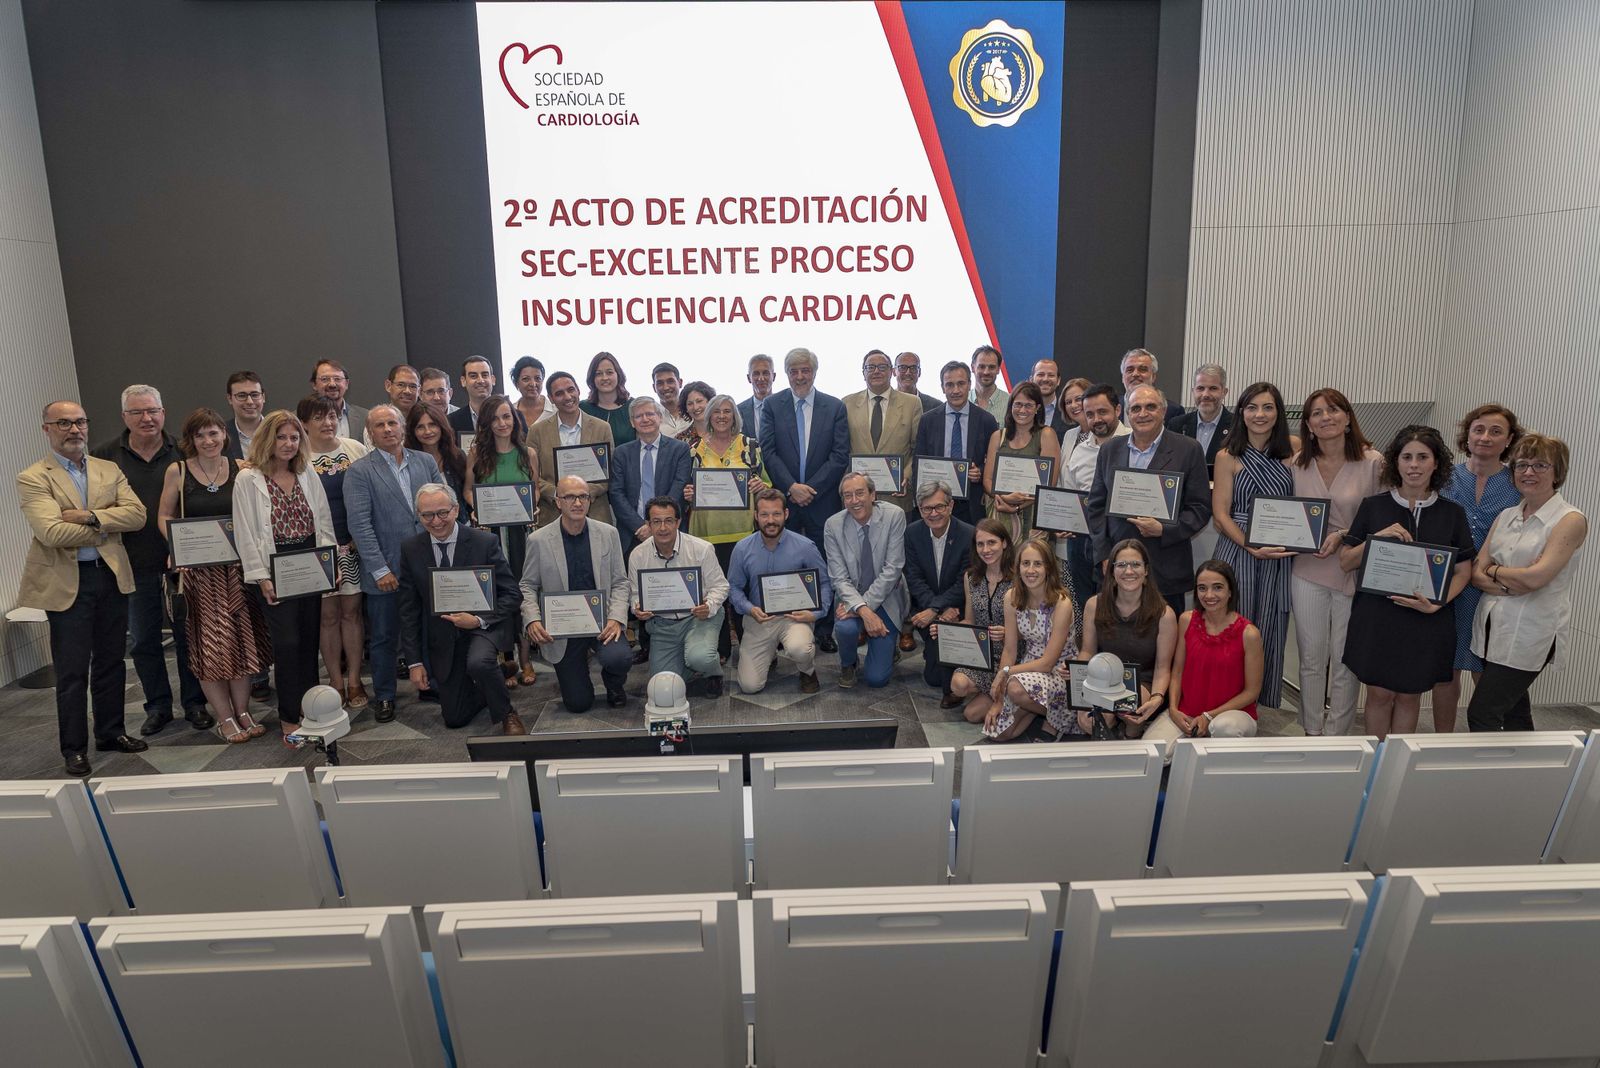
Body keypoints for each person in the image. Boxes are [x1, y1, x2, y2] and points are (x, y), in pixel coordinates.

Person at [18, 401, 149, 775]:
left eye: (79, 422)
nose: (74, 429)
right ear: (47, 429)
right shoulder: (34, 477)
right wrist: (109, 522)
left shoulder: (108, 469)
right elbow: (52, 531)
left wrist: (91, 516)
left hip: (109, 575)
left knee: (111, 662)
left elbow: (137, 516)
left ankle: (111, 732)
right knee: (73, 672)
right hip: (66, 584)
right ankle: (73, 749)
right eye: (63, 423)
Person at [1340, 425, 1476, 738]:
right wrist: (1376, 539)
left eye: (1422, 457)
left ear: (1436, 464)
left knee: (1409, 695)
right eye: (1407, 457)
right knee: (1378, 695)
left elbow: (1464, 571)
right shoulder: (1373, 507)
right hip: (1377, 618)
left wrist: (1437, 604)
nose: (1414, 465)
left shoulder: (1452, 513)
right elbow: (1346, 561)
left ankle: (1397, 770)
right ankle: (1376, 762)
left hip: (1425, 619)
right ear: (1396, 463)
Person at [91, 385, 211, 733]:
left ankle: (195, 703)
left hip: (183, 563)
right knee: (144, 640)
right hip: (131, 563)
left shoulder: (183, 451)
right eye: (137, 412)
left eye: (153, 411)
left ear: (163, 411)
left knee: (189, 636)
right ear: (124, 417)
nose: (147, 418)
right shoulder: (105, 455)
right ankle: (158, 707)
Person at [156, 408, 273, 743]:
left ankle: (244, 711)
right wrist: (178, 547)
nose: (208, 441)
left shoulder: (243, 470)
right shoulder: (177, 472)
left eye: (213, 433)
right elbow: (164, 515)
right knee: (210, 647)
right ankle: (224, 717)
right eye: (200, 435)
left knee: (241, 644)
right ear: (190, 440)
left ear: (225, 435)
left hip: (238, 571)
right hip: (199, 576)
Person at [1466, 435, 1586, 732]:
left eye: (1540, 465)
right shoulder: (1507, 515)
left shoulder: (1569, 519)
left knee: (1482, 714)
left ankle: (1493, 777)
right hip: (1494, 626)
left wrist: (1495, 570)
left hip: (1530, 631)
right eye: (1522, 465)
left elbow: (1536, 578)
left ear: (1557, 472)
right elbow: (1475, 573)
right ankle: (1529, 774)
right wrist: (1507, 575)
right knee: (1514, 712)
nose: (1529, 472)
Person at [233, 410, 336, 741]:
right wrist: (261, 576)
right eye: (282, 437)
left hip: (309, 563)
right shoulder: (248, 479)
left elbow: (323, 519)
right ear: (267, 439)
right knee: (287, 642)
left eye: (294, 438)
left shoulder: (307, 473)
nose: (289, 444)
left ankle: (310, 706)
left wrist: (327, 564)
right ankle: (289, 715)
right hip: (275, 569)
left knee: (307, 641)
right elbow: (245, 532)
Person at [343, 405, 443, 722]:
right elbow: (360, 525)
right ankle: (384, 695)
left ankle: (428, 684)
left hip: (427, 564)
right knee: (385, 638)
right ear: (370, 433)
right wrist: (379, 568)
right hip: (385, 569)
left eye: (392, 423)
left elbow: (446, 503)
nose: (387, 429)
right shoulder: (359, 471)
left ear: (402, 427)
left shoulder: (425, 461)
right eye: (379, 425)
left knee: (429, 629)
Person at [399, 483, 525, 734]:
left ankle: (506, 712)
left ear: (456, 510)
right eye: (427, 515)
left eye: (443, 513)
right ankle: (496, 676)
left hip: (484, 627)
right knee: (454, 718)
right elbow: (408, 610)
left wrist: (478, 620)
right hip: (444, 636)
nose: (436, 521)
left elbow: (513, 594)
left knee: (479, 661)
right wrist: (414, 663)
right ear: (419, 516)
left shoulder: (484, 542)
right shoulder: (411, 549)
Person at [1290, 389, 1381, 735]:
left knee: (1346, 660)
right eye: (1316, 413)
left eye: (1332, 410)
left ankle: (1337, 737)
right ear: (1308, 425)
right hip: (1306, 570)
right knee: (1311, 658)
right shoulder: (1296, 465)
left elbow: (1383, 518)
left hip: (1354, 571)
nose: (1325, 417)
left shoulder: (1374, 462)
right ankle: (1312, 733)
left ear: (1347, 418)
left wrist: (1344, 534)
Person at [1435, 404, 1524, 733]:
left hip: (1493, 590)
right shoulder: (1444, 475)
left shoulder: (1518, 483)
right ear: (1467, 435)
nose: (1485, 437)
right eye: (1479, 429)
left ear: (1509, 439)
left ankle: (1486, 741)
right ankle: (1442, 743)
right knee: (1446, 670)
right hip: (1446, 586)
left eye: (1496, 431)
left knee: (1486, 668)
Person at [1086, 384, 1212, 615]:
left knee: (1165, 644)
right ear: (1127, 413)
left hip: (1165, 568)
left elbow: (1200, 508)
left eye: (1150, 407)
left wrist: (1164, 529)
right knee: (1114, 641)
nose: (1142, 414)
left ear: (1163, 411)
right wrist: (1104, 555)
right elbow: (1095, 506)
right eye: (1135, 408)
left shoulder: (1188, 449)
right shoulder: (1110, 450)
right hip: (1117, 567)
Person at [1209, 382, 1296, 710]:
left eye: (1268, 407)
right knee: (1233, 623)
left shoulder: (1294, 450)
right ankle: (1225, 700)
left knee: (1270, 624)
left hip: (1278, 552)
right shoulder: (1227, 455)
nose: (1260, 415)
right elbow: (1220, 512)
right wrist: (1250, 545)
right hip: (1238, 549)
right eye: (1252, 408)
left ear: (1278, 412)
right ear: (1241, 413)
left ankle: (1255, 702)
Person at [758, 347, 850, 651]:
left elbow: (839, 456)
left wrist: (809, 488)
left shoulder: (834, 407)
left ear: (814, 372)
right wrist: (791, 487)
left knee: (824, 564)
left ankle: (823, 628)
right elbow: (768, 451)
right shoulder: (772, 405)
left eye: (805, 370)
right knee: (784, 564)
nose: (800, 376)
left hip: (822, 502)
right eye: (794, 371)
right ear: (785, 374)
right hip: (786, 502)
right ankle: (785, 626)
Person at [520, 475, 633, 712]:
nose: (578, 503)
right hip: (563, 628)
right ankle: (580, 678)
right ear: (558, 501)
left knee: (619, 658)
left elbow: (621, 582)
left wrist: (615, 618)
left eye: (583, 496)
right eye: (570, 497)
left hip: (602, 622)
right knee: (578, 703)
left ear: (590, 500)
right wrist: (532, 619)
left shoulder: (608, 533)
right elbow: (528, 585)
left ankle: (613, 684)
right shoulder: (538, 540)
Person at [464, 393, 541, 688]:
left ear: (515, 419)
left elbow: (533, 490)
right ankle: (502, 658)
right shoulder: (476, 454)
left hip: (520, 535)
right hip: (490, 537)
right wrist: (476, 509)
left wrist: (529, 505)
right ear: (486, 423)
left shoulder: (528, 453)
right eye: (494, 418)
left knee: (522, 591)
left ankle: (525, 659)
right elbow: (469, 491)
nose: (501, 423)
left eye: (506, 416)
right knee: (494, 594)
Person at [299, 393, 370, 711]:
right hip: (317, 552)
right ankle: (336, 682)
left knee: (352, 614)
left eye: (331, 416)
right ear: (304, 423)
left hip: (352, 547)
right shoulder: (297, 457)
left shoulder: (354, 448)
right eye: (318, 417)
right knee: (327, 619)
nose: (327, 423)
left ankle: (355, 679)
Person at [1143, 560, 1262, 747]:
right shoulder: (1186, 620)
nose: (1209, 595)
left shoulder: (1249, 634)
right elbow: (1177, 672)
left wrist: (1209, 716)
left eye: (1218, 588)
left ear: (1230, 591)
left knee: (1225, 729)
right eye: (1202, 588)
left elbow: (1252, 692)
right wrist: (1173, 709)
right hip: (1187, 712)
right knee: (1152, 751)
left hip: (1231, 716)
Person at [727, 488, 832, 694]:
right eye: (764, 514)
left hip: (795, 617)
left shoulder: (805, 546)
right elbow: (734, 587)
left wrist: (815, 613)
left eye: (776, 513)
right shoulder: (742, 548)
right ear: (756, 516)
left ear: (786, 514)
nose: (770, 520)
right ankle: (770, 654)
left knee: (800, 649)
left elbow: (825, 584)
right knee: (750, 686)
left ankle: (807, 670)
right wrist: (749, 609)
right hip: (759, 618)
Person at [687, 394, 767, 660]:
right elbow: (686, 486)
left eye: (727, 411)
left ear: (735, 416)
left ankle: (750, 645)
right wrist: (687, 492)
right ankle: (719, 647)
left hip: (742, 531)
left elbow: (768, 484)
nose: (722, 416)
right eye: (716, 411)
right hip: (705, 533)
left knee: (742, 590)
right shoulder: (694, 448)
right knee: (713, 592)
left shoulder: (750, 445)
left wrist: (761, 486)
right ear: (708, 416)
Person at [628, 497, 729, 696]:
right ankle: (689, 664)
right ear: (648, 524)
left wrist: (709, 605)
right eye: (656, 521)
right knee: (661, 690)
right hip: (663, 626)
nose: (663, 528)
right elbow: (634, 595)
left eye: (669, 521)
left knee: (700, 658)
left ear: (678, 522)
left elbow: (721, 586)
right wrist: (637, 608)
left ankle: (712, 672)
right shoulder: (638, 555)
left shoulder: (701, 548)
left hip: (698, 619)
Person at [1075, 539, 1176, 739]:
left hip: (1142, 682)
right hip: (1101, 678)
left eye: (1136, 564)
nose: (1129, 571)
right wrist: (1077, 677)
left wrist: (1156, 697)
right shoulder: (1094, 605)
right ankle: (1107, 741)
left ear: (1146, 570)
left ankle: (1131, 737)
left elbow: (1162, 668)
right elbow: (1087, 651)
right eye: (1121, 565)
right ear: (1111, 570)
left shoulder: (1165, 614)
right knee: (1090, 720)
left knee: (1130, 708)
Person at [987, 537, 1077, 741]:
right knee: (997, 734)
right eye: (1025, 563)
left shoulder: (1062, 603)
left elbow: (1047, 663)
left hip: (1059, 673)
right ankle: (1037, 709)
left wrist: (1005, 673)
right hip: (1028, 670)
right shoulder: (1011, 597)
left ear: (1049, 568)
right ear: (1018, 568)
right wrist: (998, 701)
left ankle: (1061, 716)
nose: (1031, 570)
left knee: (1015, 688)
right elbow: (1010, 650)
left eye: (1038, 564)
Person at [824, 472, 908, 688]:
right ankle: (848, 664)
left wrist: (864, 607)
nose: (854, 501)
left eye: (860, 493)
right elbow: (839, 578)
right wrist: (863, 609)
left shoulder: (894, 516)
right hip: (851, 596)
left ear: (873, 494)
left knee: (876, 679)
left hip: (887, 596)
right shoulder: (833, 525)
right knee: (845, 629)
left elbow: (893, 569)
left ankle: (890, 647)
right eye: (848, 496)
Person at [1057, 384, 1129, 617]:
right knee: (1085, 602)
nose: (1096, 419)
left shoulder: (1132, 442)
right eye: (1090, 414)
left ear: (1118, 410)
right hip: (1080, 539)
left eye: (1102, 412)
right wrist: (1062, 522)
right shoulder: (1079, 450)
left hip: (1116, 537)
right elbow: (1070, 492)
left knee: (1117, 604)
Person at [938, 519, 1013, 727]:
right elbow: (970, 620)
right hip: (983, 655)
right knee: (958, 685)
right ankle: (996, 694)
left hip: (1013, 654)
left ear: (1004, 543)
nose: (986, 549)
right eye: (980, 544)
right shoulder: (971, 577)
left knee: (971, 714)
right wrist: (945, 630)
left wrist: (1008, 633)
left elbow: (1032, 628)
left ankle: (1009, 696)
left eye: (992, 543)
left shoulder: (1018, 578)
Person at [904, 481, 973, 701]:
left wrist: (938, 608)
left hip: (959, 609)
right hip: (927, 611)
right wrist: (935, 609)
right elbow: (914, 578)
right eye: (927, 508)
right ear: (919, 509)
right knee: (933, 678)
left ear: (951, 505)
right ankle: (934, 651)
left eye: (939, 507)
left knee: (945, 678)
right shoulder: (912, 533)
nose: (933, 513)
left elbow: (966, 581)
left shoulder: (969, 535)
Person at [914, 360, 999, 527]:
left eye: (961, 384)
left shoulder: (986, 420)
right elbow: (919, 462)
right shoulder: (928, 420)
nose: (956, 390)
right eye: (949, 385)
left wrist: (980, 471)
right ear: (942, 387)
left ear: (969, 384)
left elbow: (994, 463)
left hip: (972, 505)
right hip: (936, 504)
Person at [531, 371, 616, 527]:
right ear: (551, 398)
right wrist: (559, 494)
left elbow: (609, 473)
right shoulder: (536, 431)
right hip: (552, 516)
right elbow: (531, 475)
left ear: (578, 391)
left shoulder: (602, 428)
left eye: (571, 390)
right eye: (559, 393)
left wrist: (581, 495)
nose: (567, 397)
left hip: (596, 515)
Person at [609, 397, 692, 551]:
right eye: (639, 416)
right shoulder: (621, 453)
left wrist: (658, 524)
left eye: (650, 414)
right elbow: (616, 494)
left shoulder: (679, 449)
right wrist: (641, 526)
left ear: (660, 417)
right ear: (632, 422)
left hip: (671, 532)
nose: (645, 419)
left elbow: (679, 487)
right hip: (633, 533)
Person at [983, 381, 1061, 542]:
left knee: (1031, 565)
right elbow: (987, 480)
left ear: (1038, 407)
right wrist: (1004, 498)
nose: (1022, 410)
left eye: (1028, 405)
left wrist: (1016, 505)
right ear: (1010, 406)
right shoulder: (998, 436)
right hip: (1000, 516)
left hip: (1033, 520)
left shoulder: (1046, 435)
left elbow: (1048, 486)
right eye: (1018, 404)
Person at [845, 350, 920, 513]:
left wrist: (906, 475)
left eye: (882, 367)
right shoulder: (846, 403)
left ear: (892, 371)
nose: (876, 371)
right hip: (857, 497)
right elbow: (842, 449)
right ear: (863, 373)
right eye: (870, 367)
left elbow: (918, 449)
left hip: (897, 495)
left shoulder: (912, 403)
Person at [1166, 363, 1233, 476]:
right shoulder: (1176, 424)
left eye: (1213, 388)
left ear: (1224, 392)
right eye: (1200, 388)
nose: (1205, 394)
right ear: (1193, 391)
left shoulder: (1237, 425)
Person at [406, 401, 468, 508]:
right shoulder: (407, 462)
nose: (428, 431)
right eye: (420, 427)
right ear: (412, 431)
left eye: (432, 425)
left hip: (459, 521)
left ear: (441, 426)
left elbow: (466, 494)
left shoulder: (457, 456)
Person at [579, 351, 635, 447]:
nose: (604, 378)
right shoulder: (582, 408)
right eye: (598, 374)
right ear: (592, 378)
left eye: (609, 372)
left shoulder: (633, 406)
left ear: (618, 375)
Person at [1119, 348, 1183, 424]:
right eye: (1130, 370)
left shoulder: (1173, 411)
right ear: (1122, 378)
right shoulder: (1112, 407)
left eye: (1142, 369)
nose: (1135, 374)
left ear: (1153, 377)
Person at [310, 359, 367, 439]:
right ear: (314, 385)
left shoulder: (365, 417)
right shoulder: (297, 418)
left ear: (346, 384)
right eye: (325, 379)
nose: (332, 384)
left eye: (337, 379)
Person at [449, 355, 499, 435]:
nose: (480, 380)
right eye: (473, 376)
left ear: (493, 380)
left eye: (485, 375)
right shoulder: (452, 421)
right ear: (463, 381)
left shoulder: (513, 417)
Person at [223, 370, 266, 463]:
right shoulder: (220, 436)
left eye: (255, 395)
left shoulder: (278, 431)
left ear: (263, 397)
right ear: (230, 399)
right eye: (241, 395)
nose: (249, 401)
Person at [1031, 359, 1071, 438]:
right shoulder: (1022, 410)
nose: (1045, 379)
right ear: (1031, 379)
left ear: (1058, 380)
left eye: (1051, 375)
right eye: (1041, 374)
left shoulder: (1068, 411)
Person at [738, 353, 774, 443]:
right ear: (748, 378)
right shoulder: (738, 411)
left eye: (765, 373)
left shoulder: (785, 407)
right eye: (756, 374)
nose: (761, 378)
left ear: (774, 376)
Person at [970, 344, 1009, 423]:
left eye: (991, 367)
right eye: (981, 367)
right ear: (973, 368)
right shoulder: (962, 400)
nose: (986, 372)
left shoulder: (1010, 402)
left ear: (998, 369)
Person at [511, 356, 552, 429]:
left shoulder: (555, 410)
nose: (533, 384)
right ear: (516, 383)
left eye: (538, 378)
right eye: (526, 379)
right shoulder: (511, 412)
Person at [653, 363, 691, 440]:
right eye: (660, 383)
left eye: (670, 381)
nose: (666, 387)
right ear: (654, 388)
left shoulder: (695, 411)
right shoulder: (650, 420)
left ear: (680, 383)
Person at [676, 380, 715, 450]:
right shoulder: (680, 440)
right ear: (686, 408)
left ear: (710, 401)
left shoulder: (726, 431)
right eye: (690, 404)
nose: (695, 407)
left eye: (699, 401)